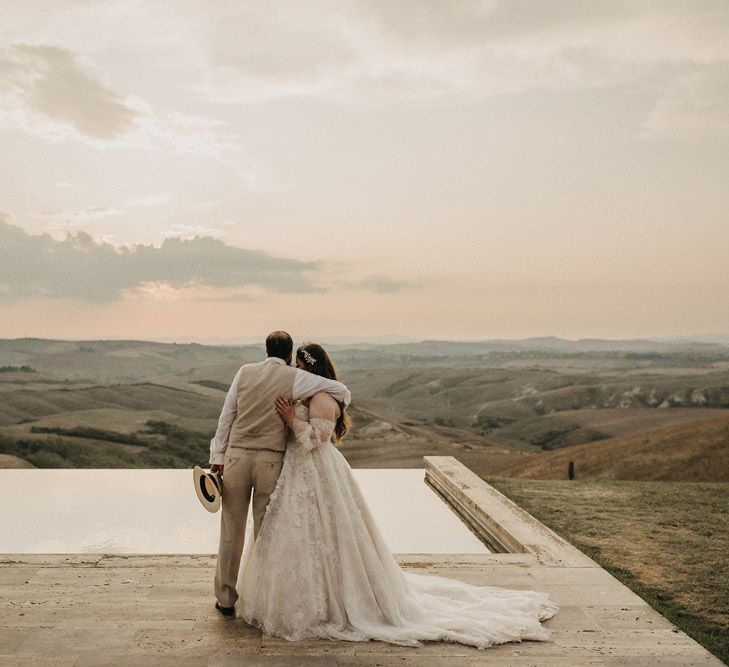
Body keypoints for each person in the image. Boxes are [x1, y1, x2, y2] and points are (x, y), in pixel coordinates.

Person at [235, 343, 558, 649]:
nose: (296, 369)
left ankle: (328, 601)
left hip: (314, 470)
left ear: (311, 366)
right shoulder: (315, 391)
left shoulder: (322, 397)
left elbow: (314, 441)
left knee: (325, 534)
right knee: (298, 534)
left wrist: (292, 419)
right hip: (297, 471)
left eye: (300, 365)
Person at [209, 331, 351, 617]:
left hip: (237, 458)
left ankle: (226, 599)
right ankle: (261, 597)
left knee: (230, 529)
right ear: (288, 355)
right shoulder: (293, 378)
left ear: (266, 350)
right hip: (271, 462)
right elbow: (341, 390)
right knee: (266, 532)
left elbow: (227, 415)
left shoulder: (244, 372)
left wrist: (218, 457)